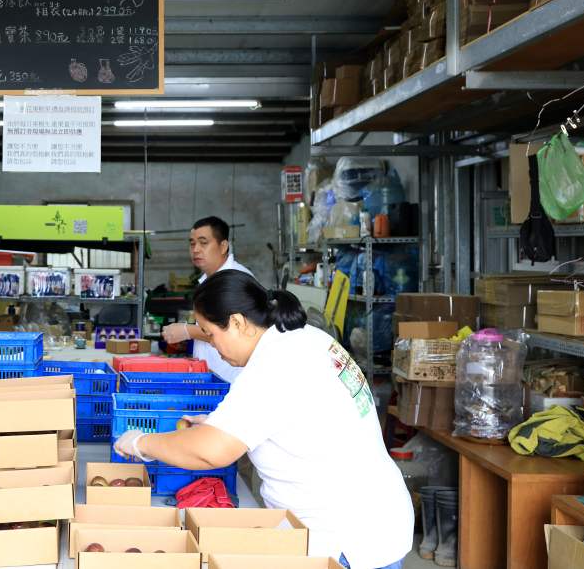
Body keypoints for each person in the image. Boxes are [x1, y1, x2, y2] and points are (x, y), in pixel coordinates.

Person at [116, 270, 412, 569]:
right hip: (374, 515)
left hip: (345, 536)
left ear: (237, 323)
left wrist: (142, 443)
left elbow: (211, 452)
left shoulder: (274, 363)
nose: (213, 345)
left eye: (211, 333)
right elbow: (296, 418)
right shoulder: (303, 337)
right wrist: (221, 424)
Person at [161, 215, 254, 382]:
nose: (195, 249)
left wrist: (188, 331)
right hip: (210, 378)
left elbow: (237, 332)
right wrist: (190, 336)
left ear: (223, 246)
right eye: (192, 243)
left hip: (230, 379)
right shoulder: (207, 280)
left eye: (203, 243)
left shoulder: (236, 278)